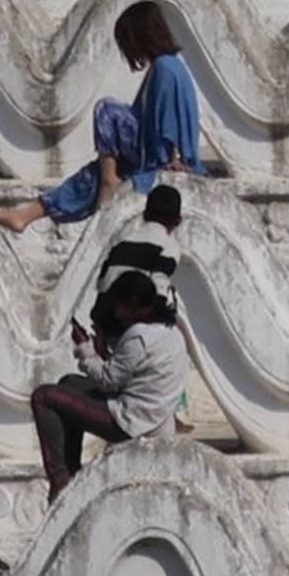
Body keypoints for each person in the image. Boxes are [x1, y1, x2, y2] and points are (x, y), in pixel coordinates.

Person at [0, 1, 205, 233]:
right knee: (92, 176)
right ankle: (26, 215)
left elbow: (167, 126)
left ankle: (109, 182)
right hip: (149, 152)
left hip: (158, 158)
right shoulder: (168, 66)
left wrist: (172, 158)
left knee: (106, 110)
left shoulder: (165, 69)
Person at [30, 272, 188, 503]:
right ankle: (72, 467)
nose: (117, 313)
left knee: (44, 396)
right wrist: (102, 352)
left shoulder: (138, 336)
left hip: (130, 422)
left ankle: (61, 478)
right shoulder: (171, 331)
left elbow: (108, 380)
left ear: (133, 305)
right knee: (69, 384)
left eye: (120, 306)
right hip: (155, 415)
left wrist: (86, 349)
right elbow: (127, 372)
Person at [90, 184, 193, 434]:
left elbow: (102, 285)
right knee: (173, 343)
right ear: (177, 221)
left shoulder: (121, 243)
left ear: (145, 213)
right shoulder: (168, 247)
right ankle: (173, 411)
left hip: (110, 322)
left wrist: (102, 330)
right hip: (138, 325)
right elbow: (156, 290)